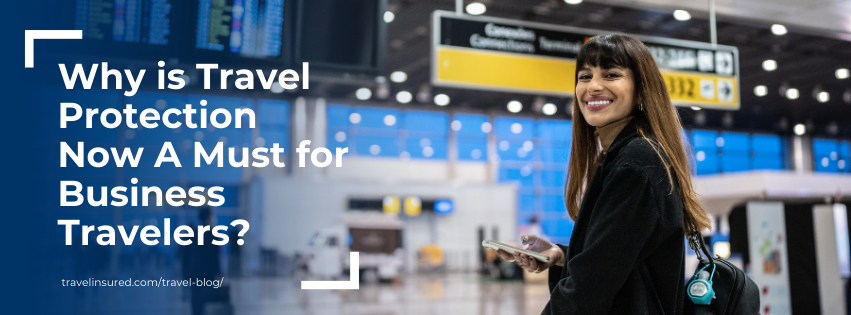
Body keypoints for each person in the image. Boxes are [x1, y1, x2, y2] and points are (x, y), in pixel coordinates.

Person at [497, 33, 712, 315]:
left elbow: (588, 290)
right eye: (585, 76)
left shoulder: (636, 163)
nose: (593, 86)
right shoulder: (628, 155)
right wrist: (562, 255)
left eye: (611, 74)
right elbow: (618, 260)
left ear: (641, 88)